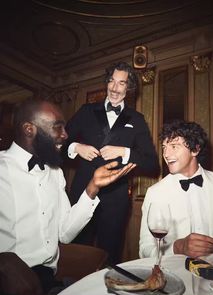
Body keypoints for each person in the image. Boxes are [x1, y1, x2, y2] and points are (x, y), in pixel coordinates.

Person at [0, 99, 135, 295]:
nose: (65, 135)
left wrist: (92, 187)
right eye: (57, 127)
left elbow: (65, 233)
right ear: (29, 129)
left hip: (49, 280)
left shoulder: (55, 172)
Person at [64, 61, 159, 263]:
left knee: (109, 256)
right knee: (76, 252)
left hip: (116, 199)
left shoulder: (137, 119)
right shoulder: (86, 110)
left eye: (121, 83)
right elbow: (58, 146)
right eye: (111, 81)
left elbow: (152, 163)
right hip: (82, 193)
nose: (115, 88)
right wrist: (75, 147)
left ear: (129, 87)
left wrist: (124, 152)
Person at [139, 119, 213, 259]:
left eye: (174, 146)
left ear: (195, 149)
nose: (166, 154)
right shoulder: (155, 193)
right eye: (164, 147)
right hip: (176, 272)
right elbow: (145, 250)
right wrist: (177, 248)